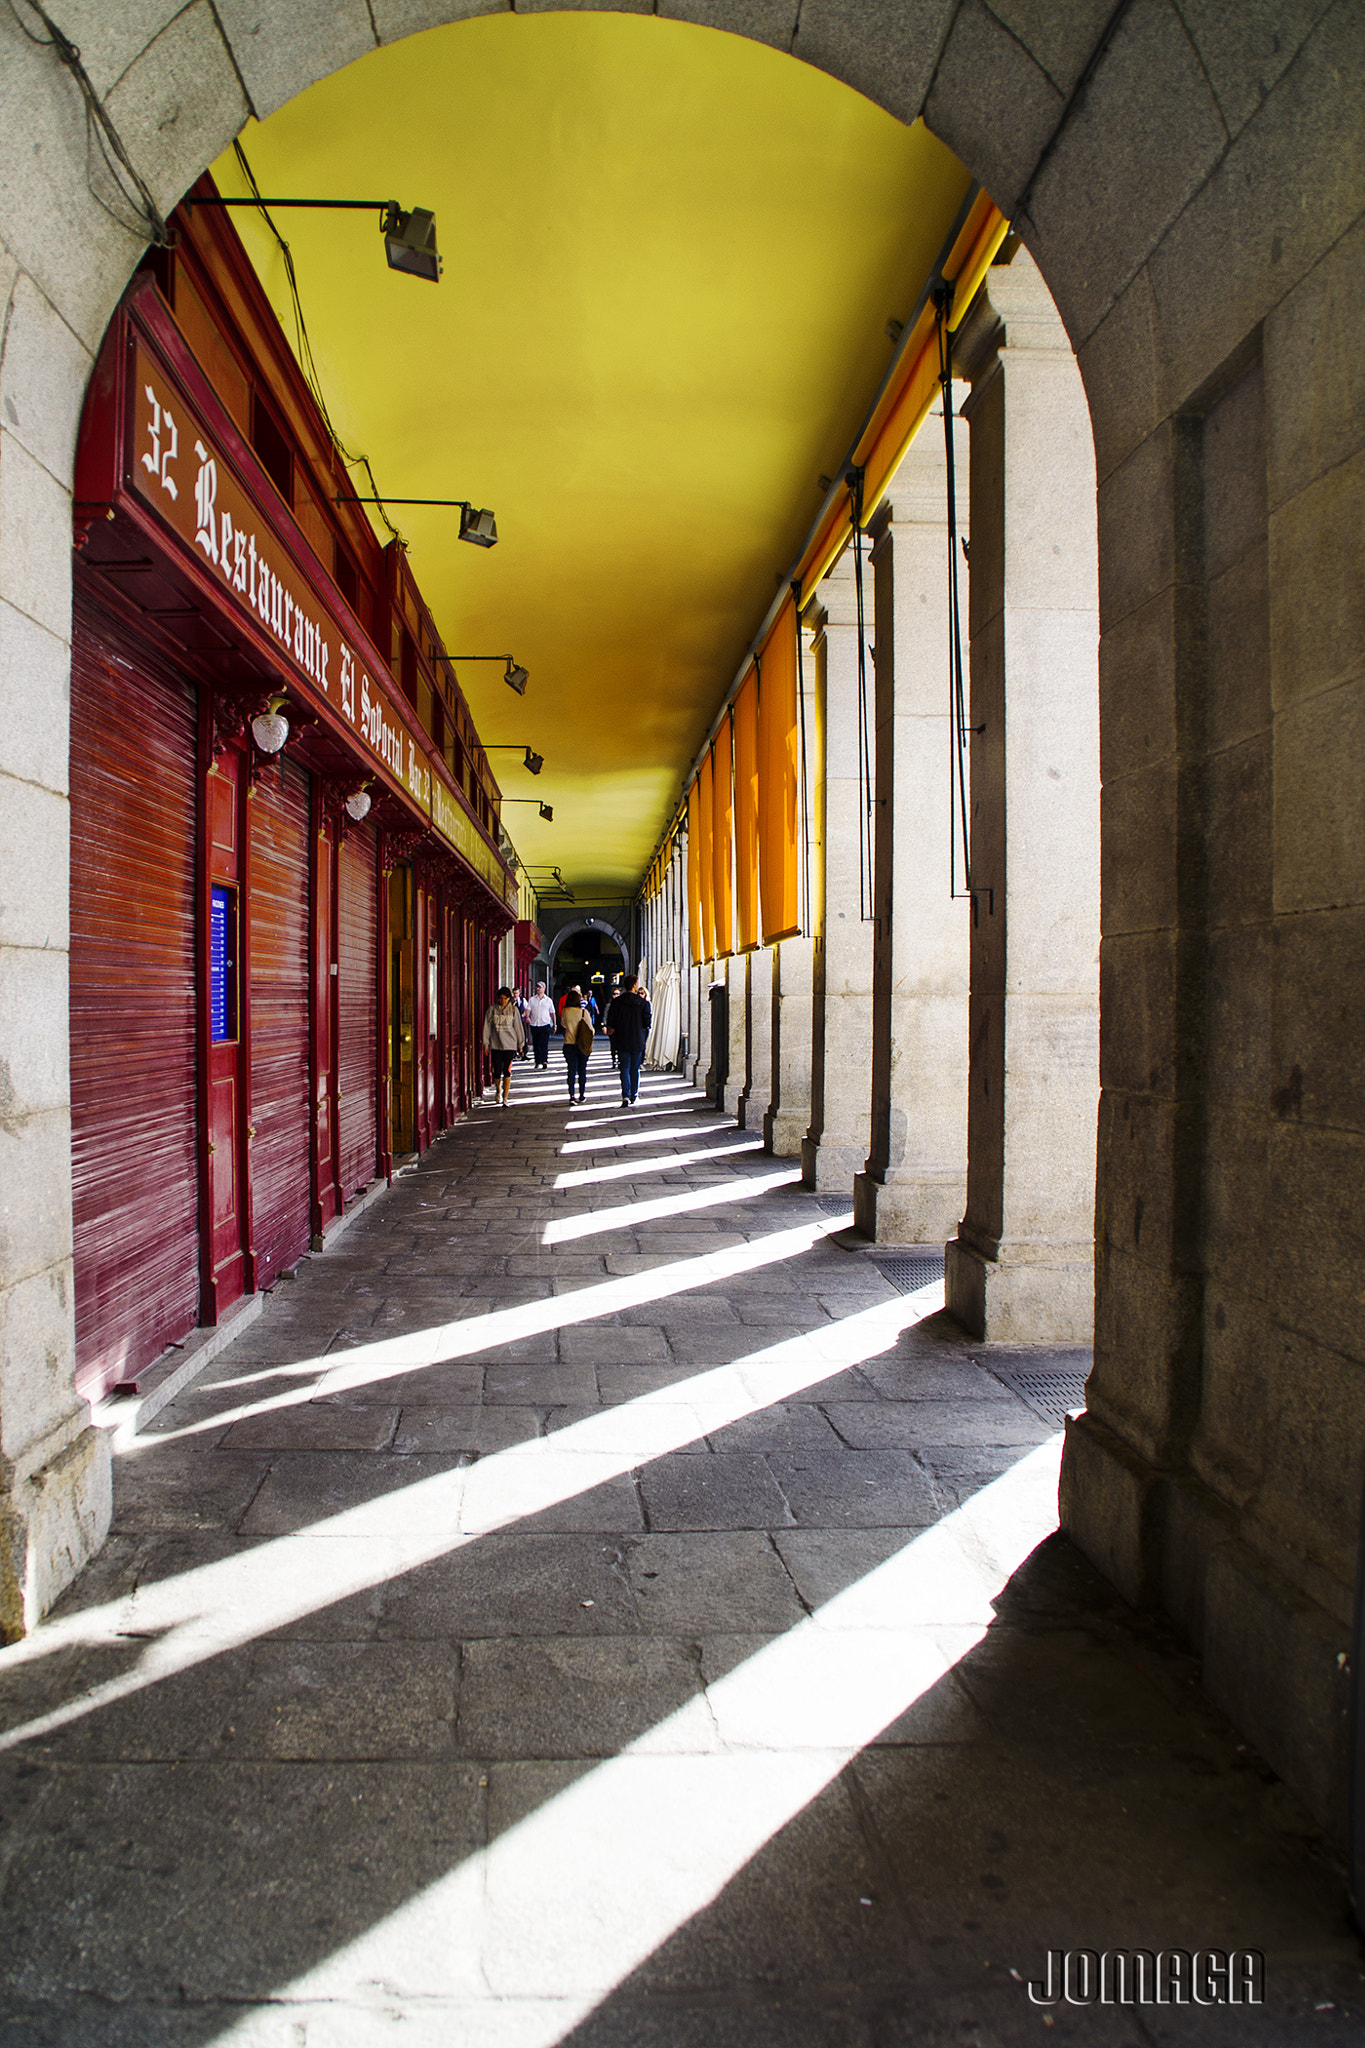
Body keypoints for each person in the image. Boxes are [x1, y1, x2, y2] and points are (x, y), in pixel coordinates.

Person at [606, 973, 651, 1107]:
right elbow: (647, 1022)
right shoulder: (643, 1003)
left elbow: (611, 1022)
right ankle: (634, 1095)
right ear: (634, 985)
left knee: (624, 1067)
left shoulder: (617, 1002)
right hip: (637, 1039)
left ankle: (625, 1094)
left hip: (622, 1039)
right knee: (634, 1068)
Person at [481, 985, 525, 1107]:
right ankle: (498, 1090)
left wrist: (520, 1044)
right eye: (501, 998)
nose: (503, 1000)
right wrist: (486, 1043)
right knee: (496, 1070)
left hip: (510, 1045)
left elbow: (518, 1028)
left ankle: (505, 1096)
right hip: (496, 1044)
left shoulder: (513, 1011)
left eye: (505, 998)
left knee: (507, 1070)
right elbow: (487, 1027)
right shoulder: (492, 1010)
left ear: (509, 998)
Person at [559, 984, 593, 1103]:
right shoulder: (584, 1012)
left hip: (569, 1043)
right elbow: (591, 1030)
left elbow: (563, 1024)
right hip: (582, 1045)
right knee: (582, 1070)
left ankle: (572, 1095)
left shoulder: (565, 1012)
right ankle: (582, 1094)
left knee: (571, 1070)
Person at [526, 981, 555, 1069]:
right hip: (535, 1024)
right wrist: (527, 1017)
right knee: (536, 1044)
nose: (538, 989)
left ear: (544, 989)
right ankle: (537, 1061)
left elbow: (552, 1013)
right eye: (537, 987)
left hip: (545, 1024)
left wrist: (554, 1024)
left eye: (540, 987)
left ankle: (544, 1061)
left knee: (544, 1044)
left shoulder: (548, 1000)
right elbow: (528, 1009)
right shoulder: (532, 1000)